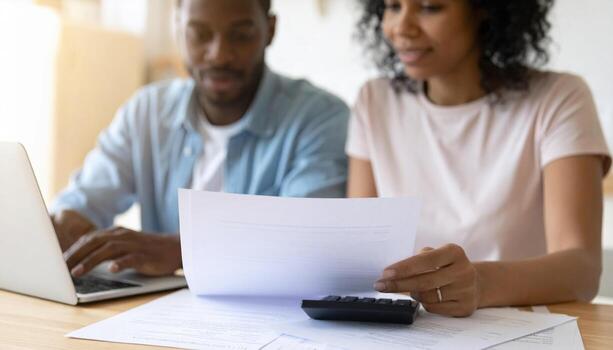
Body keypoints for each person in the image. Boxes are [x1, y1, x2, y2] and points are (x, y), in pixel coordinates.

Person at [348, 0, 611, 316]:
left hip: (523, 328)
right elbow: (359, 249)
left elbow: (581, 270)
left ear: (484, 9)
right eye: (392, 6)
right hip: (409, 331)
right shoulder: (374, 101)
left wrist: (480, 283)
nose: (402, 27)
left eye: (430, 7)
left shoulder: (558, 98)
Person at [51, 0, 349, 279]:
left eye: (241, 36)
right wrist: (66, 222)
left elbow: (308, 237)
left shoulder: (320, 118)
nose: (219, 54)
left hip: (266, 320)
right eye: (200, 35)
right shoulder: (148, 111)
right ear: (177, 28)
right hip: (154, 314)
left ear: (269, 30)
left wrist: (181, 250)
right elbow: (83, 200)